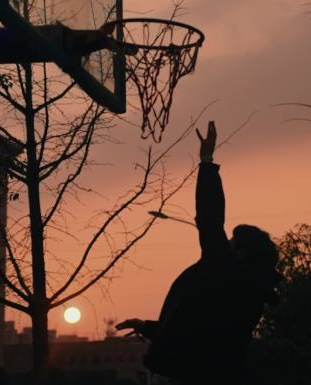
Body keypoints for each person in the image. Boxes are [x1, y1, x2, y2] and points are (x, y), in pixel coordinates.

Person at [116, 121, 282, 385]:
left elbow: (209, 218)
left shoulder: (223, 271)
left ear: (241, 253)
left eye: (231, 242)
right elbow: (196, 331)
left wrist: (206, 161)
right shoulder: (250, 296)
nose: (224, 243)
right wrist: (147, 326)